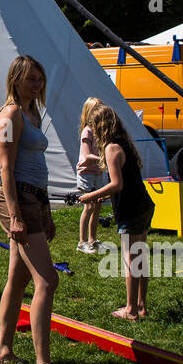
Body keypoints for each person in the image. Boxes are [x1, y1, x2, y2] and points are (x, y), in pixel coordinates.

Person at [0, 55, 77, 364]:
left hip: (35, 199)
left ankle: (4, 350)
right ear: (15, 79)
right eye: (30, 79)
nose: (36, 85)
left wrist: (46, 211)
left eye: (39, 79)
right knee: (48, 280)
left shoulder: (33, 113)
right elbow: (5, 167)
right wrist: (15, 215)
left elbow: (35, 164)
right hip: (18, 200)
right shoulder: (10, 115)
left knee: (17, 277)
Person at [79, 104, 153, 320]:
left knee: (131, 259)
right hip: (143, 205)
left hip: (131, 209)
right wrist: (104, 195)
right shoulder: (124, 144)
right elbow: (125, 181)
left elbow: (117, 184)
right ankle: (142, 306)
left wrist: (90, 196)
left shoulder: (111, 148)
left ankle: (130, 310)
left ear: (101, 126)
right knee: (140, 256)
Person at [75, 97, 107, 255]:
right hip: (86, 172)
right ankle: (82, 242)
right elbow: (87, 156)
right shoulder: (87, 131)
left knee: (98, 205)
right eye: (95, 109)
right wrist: (103, 158)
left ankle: (93, 239)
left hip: (97, 172)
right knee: (89, 206)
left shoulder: (99, 130)